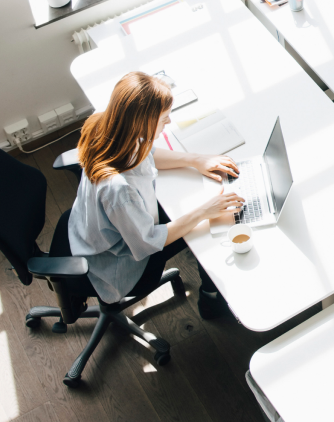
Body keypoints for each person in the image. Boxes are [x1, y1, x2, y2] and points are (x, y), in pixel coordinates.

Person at [69, 71, 244, 319]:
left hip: (89, 228)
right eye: (164, 119)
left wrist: (196, 160)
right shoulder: (119, 189)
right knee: (209, 234)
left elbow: (146, 152)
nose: (169, 123)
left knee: (197, 211)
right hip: (118, 263)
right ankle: (211, 302)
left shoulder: (106, 125)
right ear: (142, 123)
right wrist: (206, 211)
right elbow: (147, 241)